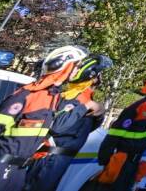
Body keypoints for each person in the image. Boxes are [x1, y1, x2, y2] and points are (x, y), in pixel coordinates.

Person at [0, 46, 89, 191]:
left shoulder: (53, 98)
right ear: (64, 66)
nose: (76, 71)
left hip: (20, 172)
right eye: (75, 66)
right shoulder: (26, 95)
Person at [25, 54, 112, 191]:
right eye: (99, 75)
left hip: (61, 158)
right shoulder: (76, 97)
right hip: (50, 159)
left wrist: (99, 115)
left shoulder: (86, 97)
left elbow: (84, 129)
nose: (101, 78)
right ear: (92, 77)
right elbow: (58, 126)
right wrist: (86, 106)